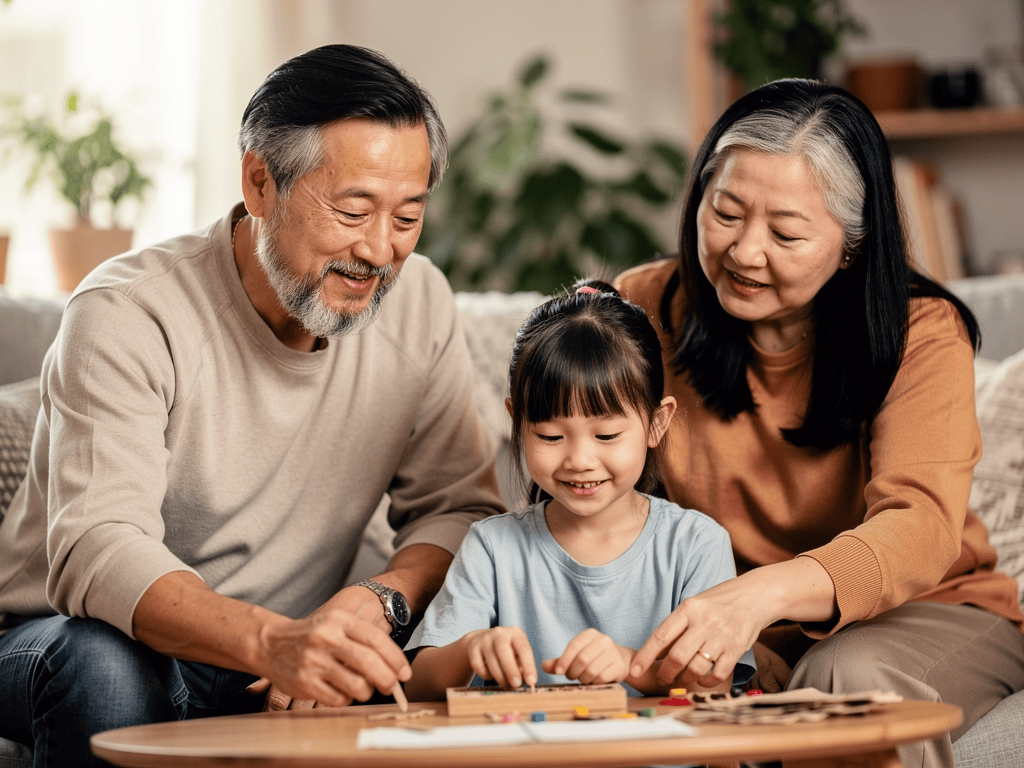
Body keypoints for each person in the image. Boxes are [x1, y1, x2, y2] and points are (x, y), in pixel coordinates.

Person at [0, 44, 504, 767]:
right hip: (68, 635)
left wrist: (378, 601)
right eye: (353, 210)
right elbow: (98, 548)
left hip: (287, 654)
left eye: (407, 216)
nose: (379, 252)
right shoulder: (128, 310)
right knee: (104, 665)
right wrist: (271, 640)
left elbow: (461, 508)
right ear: (260, 182)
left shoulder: (419, 300)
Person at [615, 78, 1024, 766]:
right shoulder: (643, 307)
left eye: (785, 232)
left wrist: (756, 599)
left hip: (924, 610)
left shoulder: (921, 331)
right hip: (732, 619)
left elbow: (919, 527)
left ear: (853, 246)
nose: (744, 252)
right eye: (726, 213)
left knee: (844, 681)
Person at [405, 280, 755, 700]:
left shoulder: (696, 544)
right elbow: (420, 682)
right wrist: (471, 649)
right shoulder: (493, 546)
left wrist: (630, 664)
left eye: (606, 435)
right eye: (551, 436)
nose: (579, 460)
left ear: (656, 423)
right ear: (516, 422)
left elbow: (713, 683)